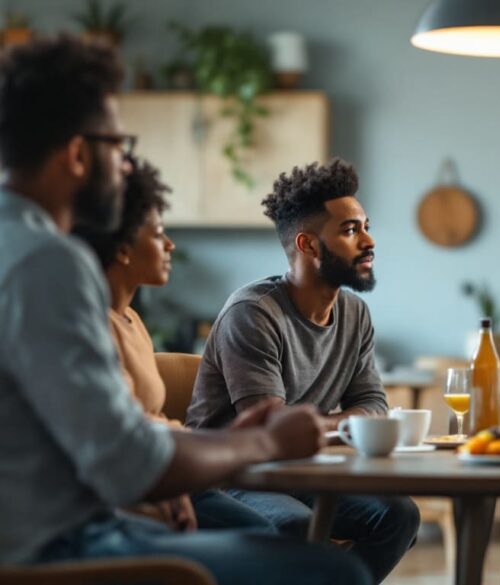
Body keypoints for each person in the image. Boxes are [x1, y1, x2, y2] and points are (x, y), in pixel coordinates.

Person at [0, 36, 370, 585]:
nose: (126, 168)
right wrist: (262, 441)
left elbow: (108, 436)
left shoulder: (19, 247)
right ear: (79, 155)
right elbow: (126, 461)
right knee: (330, 573)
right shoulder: (50, 262)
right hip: (59, 546)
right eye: (117, 147)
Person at [186, 158, 419, 583]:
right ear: (308, 245)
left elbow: (373, 403)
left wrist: (325, 426)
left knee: (398, 515)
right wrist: (346, 424)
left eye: (366, 226)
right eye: (351, 230)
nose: (369, 240)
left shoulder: (355, 312)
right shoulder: (253, 312)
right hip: (238, 474)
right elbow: (273, 429)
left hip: (309, 473)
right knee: (293, 528)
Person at [72, 158, 275, 533]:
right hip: (134, 485)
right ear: (123, 249)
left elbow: (148, 420)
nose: (170, 244)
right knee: (266, 533)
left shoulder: (132, 322)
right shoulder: (93, 326)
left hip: (167, 471)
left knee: (271, 530)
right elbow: (123, 431)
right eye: (159, 233)